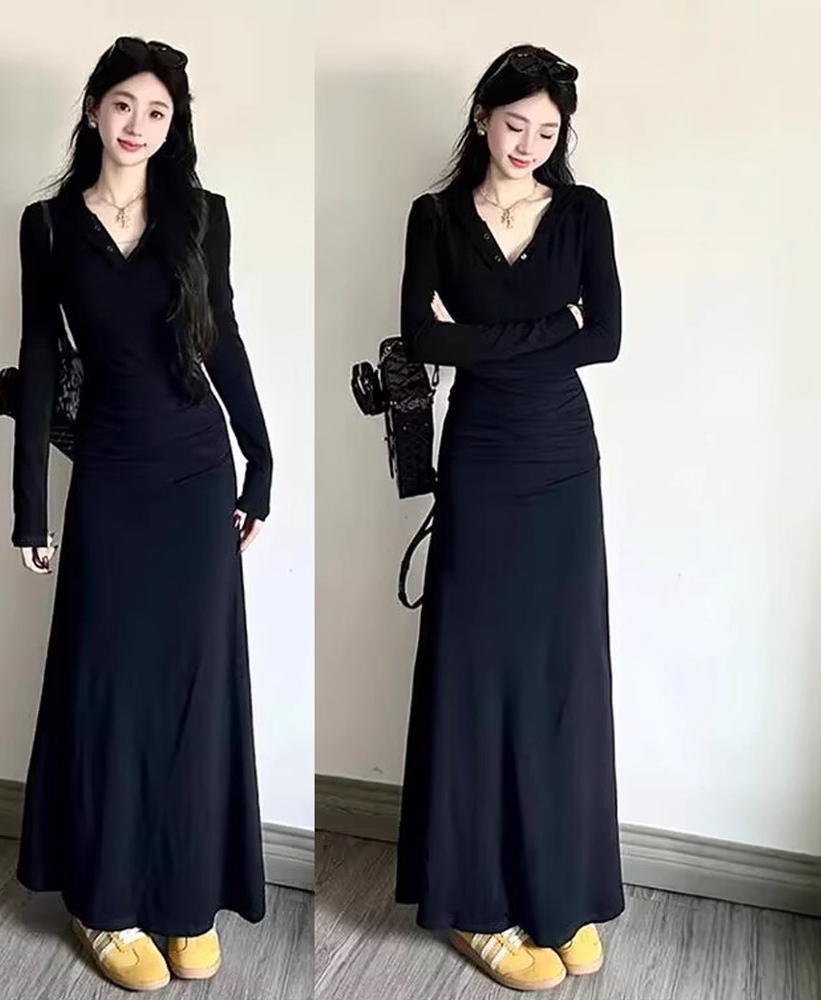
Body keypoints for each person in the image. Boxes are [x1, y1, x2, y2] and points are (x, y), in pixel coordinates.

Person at [10, 36, 272, 992]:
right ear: (93, 108)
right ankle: (103, 901)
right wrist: (30, 507)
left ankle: (183, 894)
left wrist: (262, 458)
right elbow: (41, 361)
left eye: (157, 112)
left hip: (198, 470)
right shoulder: (47, 227)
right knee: (109, 688)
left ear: (173, 126)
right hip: (111, 474)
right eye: (124, 104)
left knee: (195, 688)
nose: (137, 125)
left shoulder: (203, 216)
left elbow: (224, 338)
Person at [394, 44, 624, 993]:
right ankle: (475, 905)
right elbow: (421, 335)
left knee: (562, 675)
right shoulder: (435, 217)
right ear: (483, 118)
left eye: (547, 130)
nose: (529, 143)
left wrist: (482, 340)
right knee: (476, 675)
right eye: (515, 123)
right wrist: (548, 330)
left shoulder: (584, 212)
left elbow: (606, 338)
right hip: (481, 458)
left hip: (563, 461)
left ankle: (559, 887)